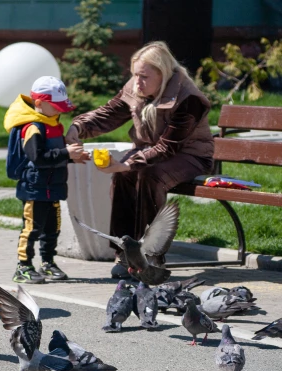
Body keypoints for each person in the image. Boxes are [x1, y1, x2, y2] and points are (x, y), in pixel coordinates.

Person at [66, 41, 215, 278]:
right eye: (135, 75)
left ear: (163, 73)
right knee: (124, 176)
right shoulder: (137, 88)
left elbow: (168, 147)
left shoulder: (188, 99)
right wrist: (78, 127)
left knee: (148, 174)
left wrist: (127, 163)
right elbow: (110, 113)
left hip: (189, 156)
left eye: (143, 76)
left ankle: (151, 255)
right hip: (149, 151)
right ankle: (125, 253)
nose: (137, 82)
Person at [4, 76, 89, 284]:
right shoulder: (33, 127)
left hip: (54, 188)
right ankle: (23, 267)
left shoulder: (54, 123)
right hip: (35, 189)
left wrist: (73, 157)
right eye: (56, 106)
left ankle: (48, 263)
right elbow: (38, 158)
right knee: (31, 229)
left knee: (52, 228)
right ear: (40, 104)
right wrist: (66, 154)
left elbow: (55, 155)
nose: (60, 111)